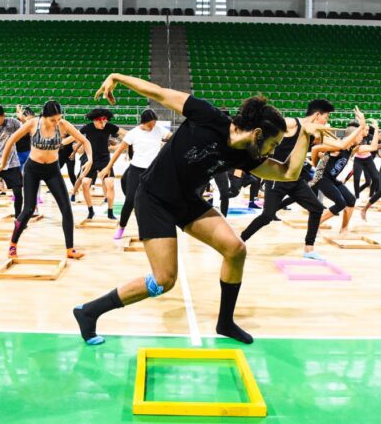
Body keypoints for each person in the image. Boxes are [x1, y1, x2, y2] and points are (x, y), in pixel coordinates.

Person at [73, 73, 329, 346]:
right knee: (163, 280)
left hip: (187, 201)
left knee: (236, 249)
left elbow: (289, 173)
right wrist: (117, 78)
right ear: (257, 134)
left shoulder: (247, 155)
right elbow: (159, 92)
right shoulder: (206, 115)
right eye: (273, 144)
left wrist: (305, 137)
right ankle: (89, 312)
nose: (272, 149)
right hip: (153, 199)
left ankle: (225, 322)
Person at [0, 100, 92, 260]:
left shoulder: (63, 124)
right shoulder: (32, 124)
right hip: (33, 170)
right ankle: (13, 244)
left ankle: (70, 249)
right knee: (29, 209)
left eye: (59, 118)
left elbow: (85, 141)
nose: (56, 122)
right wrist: (2, 164)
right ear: (45, 116)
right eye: (53, 119)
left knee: (66, 208)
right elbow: (10, 141)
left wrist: (90, 160)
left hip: (52, 170)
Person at [239, 99, 336, 261]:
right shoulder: (292, 123)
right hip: (278, 177)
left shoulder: (316, 132)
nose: (326, 121)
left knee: (317, 208)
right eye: (326, 117)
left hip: (295, 179)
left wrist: (361, 128)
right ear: (317, 115)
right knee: (268, 215)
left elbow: (340, 144)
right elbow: (266, 126)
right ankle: (240, 239)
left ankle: (309, 248)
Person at [99, 109, 171, 240]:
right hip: (136, 170)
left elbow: (173, 139)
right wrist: (108, 167)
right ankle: (121, 227)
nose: (152, 127)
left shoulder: (159, 129)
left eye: (154, 124)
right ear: (143, 122)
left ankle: (149, 230)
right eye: (150, 124)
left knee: (153, 202)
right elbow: (118, 151)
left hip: (153, 171)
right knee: (130, 200)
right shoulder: (133, 133)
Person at [310, 115, 379, 236]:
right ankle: (314, 226)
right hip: (322, 178)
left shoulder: (353, 149)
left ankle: (344, 229)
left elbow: (373, 147)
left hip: (331, 179)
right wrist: (316, 166)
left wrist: (377, 128)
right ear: (352, 136)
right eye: (359, 135)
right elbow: (315, 148)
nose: (362, 137)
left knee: (351, 200)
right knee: (340, 203)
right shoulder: (337, 146)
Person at [77, 108, 126, 220]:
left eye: (105, 121)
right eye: (100, 121)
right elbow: (74, 136)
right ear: (94, 120)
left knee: (110, 185)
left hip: (104, 160)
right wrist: (62, 144)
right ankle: (90, 211)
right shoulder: (88, 127)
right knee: (85, 184)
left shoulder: (109, 126)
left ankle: (110, 212)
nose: (103, 123)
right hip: (90, 160)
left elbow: (124, 132)